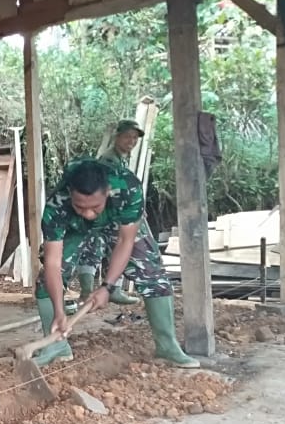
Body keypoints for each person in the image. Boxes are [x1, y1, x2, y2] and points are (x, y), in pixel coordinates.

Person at [34, 158, 198, 369]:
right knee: (45, 282)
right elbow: (53, 263)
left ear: (108, 191)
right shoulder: (56, 206)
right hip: (74, 227)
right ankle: (56, 345)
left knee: (150, 270)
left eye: (95, 206)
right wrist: (59, 310)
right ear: (70, 195)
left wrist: (107, 287)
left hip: (117, 222)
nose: (88, 213)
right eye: (80, 206)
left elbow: (125, 240)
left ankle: (167, 346)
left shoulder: (128, 189)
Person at [72, 119, 147, 307]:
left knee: (105, 247)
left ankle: (107, 290)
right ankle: (94, 292)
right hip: (106, 211)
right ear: (117, 136)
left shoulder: (120, 158)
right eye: (127, 136)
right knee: (101, 247)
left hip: (110, 210)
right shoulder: (109, 160)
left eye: (135, 138)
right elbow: (112, 189)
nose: (131, 141)